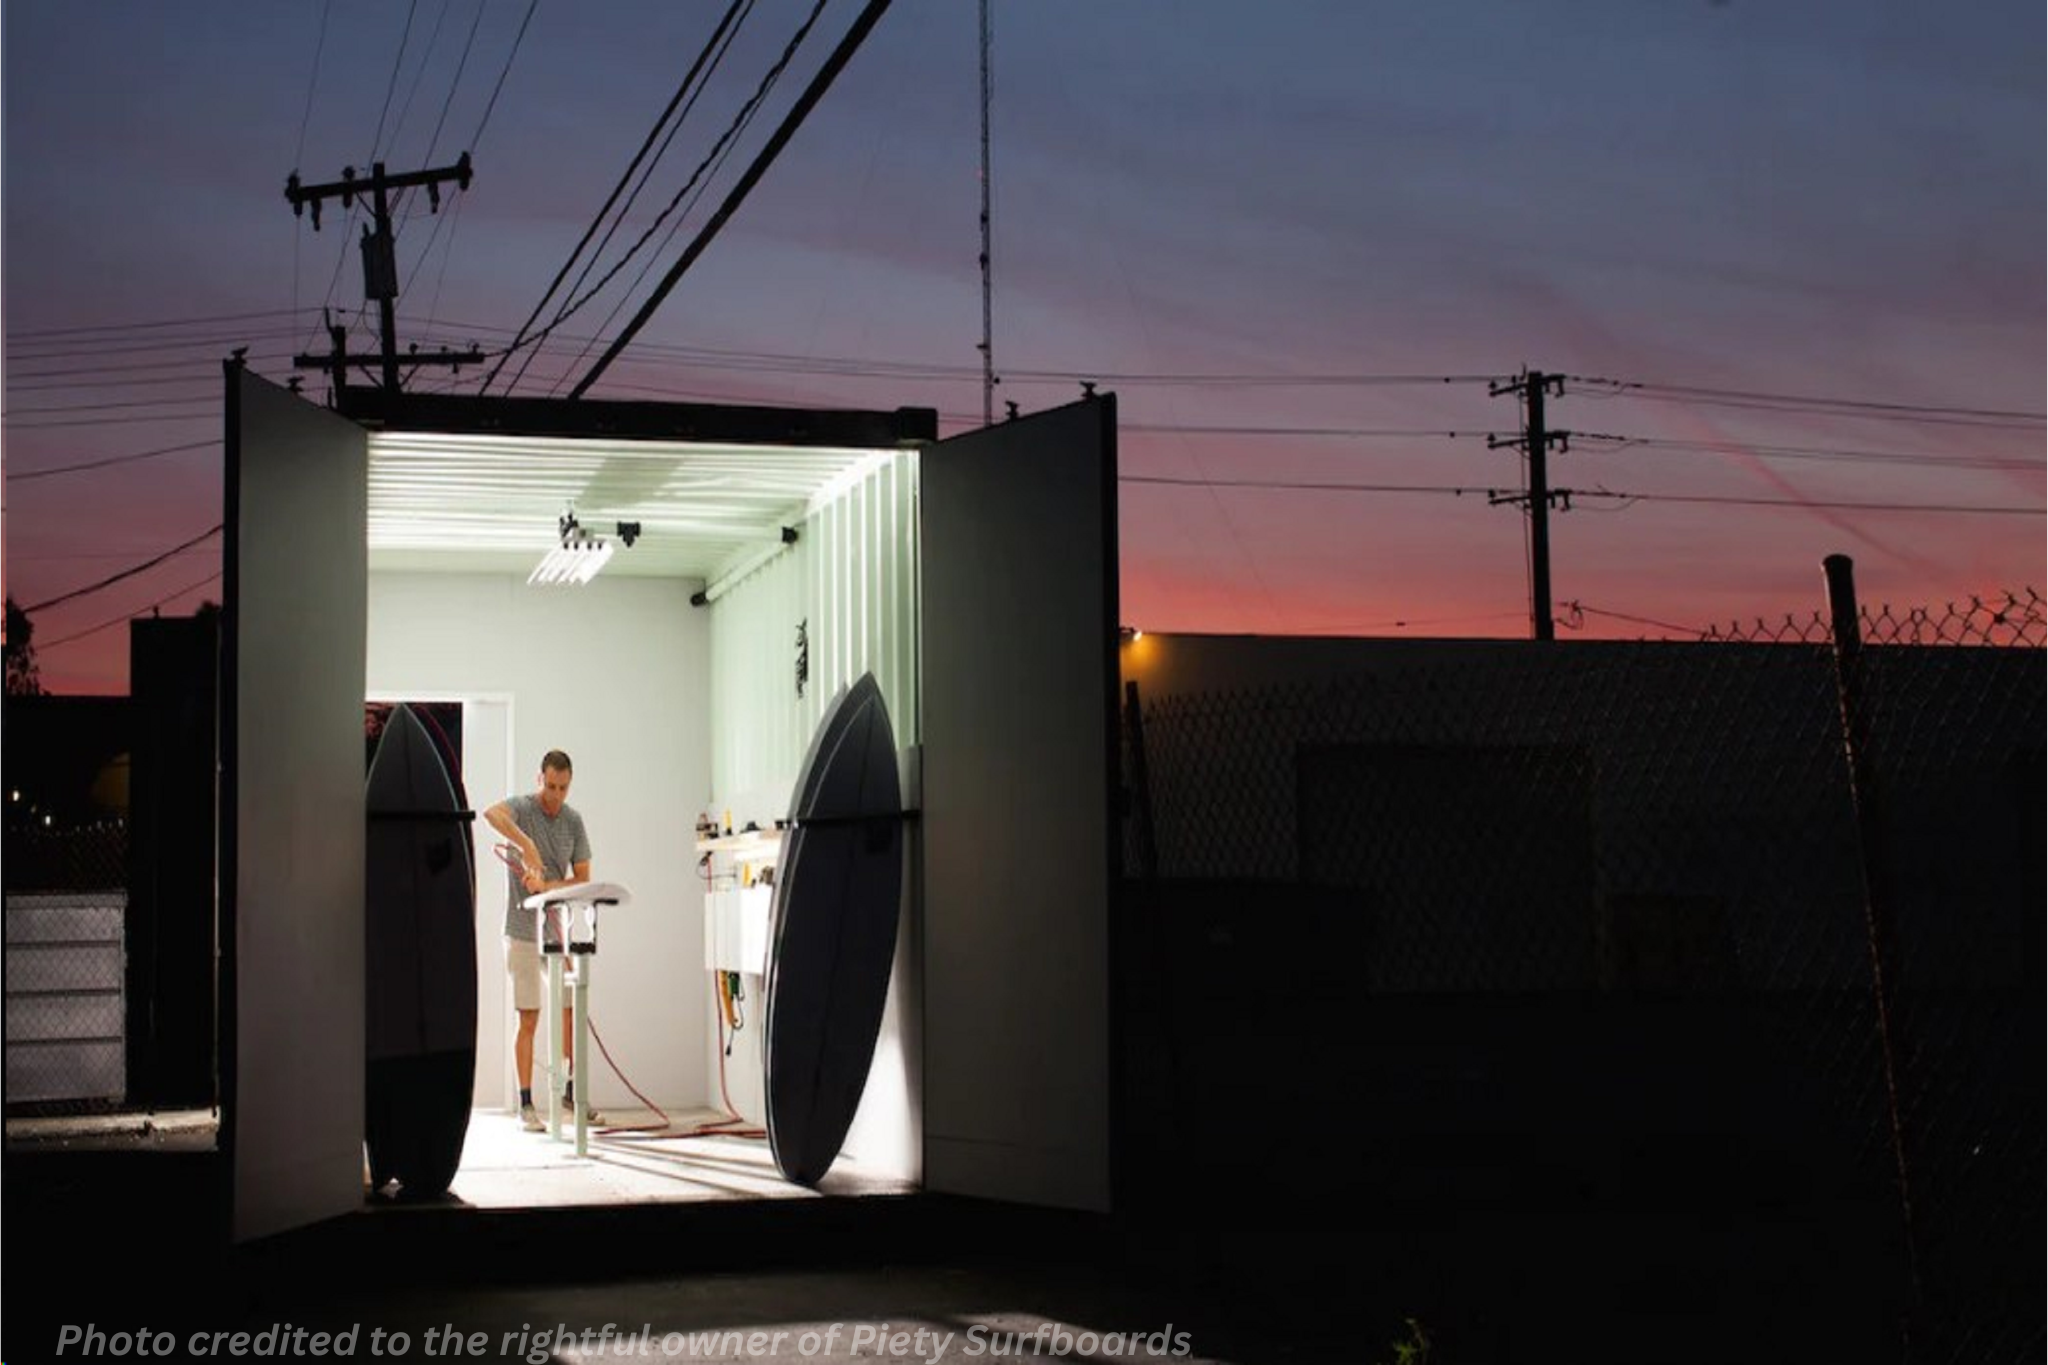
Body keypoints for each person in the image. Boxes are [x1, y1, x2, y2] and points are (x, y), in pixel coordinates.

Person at [485, 749, 601, 1132]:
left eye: (563, 788)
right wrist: (527, 845)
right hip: (521, 933)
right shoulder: (522, 807)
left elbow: (583, 877)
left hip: (557, 933)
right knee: (529, 1017)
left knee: (571, 1008)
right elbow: (491, 814)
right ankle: (526, 1104)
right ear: (540, 779)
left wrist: (548, 885)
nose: (555, 795)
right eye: (550, 786)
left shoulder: (573, 821)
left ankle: (571, 1093)